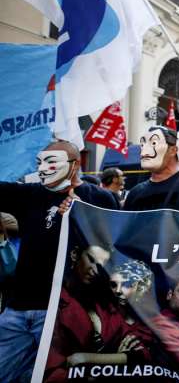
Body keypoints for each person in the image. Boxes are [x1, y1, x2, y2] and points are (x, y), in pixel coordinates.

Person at [0, 141, 117, 383]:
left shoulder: (99, 198)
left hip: (61, 312)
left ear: (75, 165)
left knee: (52, 376)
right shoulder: (30, 194)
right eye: (39, 162)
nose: (43, 168)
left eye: (51, 162)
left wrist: (80, 214)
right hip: (18, 309)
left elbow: (115, 242)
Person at [45, 243, 138, 382]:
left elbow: (139, 353)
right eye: (91, 259)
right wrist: (115, 360)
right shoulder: (55, 303)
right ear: (75, 255)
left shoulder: (105, 306)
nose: (95, 270)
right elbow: (50, 370)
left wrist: (83, 358)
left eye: (101, 266)